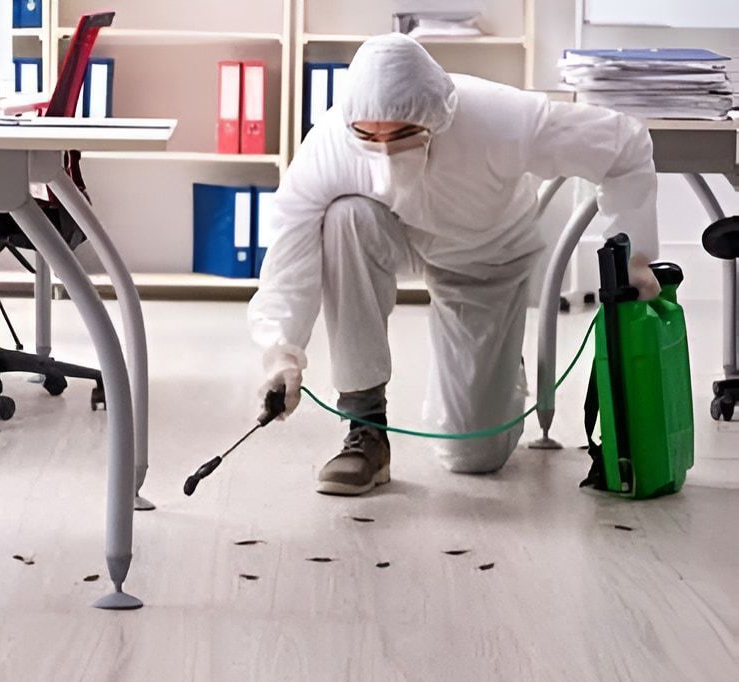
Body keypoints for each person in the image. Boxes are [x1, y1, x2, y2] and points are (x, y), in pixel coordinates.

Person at [248, 33, 661, 496]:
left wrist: (637, 257)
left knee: (473, 458)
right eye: (369, 136)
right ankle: (365, 428)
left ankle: (503, 368)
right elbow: (291, 244)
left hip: (484, 257)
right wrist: (281, 352)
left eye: (403, 135)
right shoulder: (332, 140)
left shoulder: (501, 119)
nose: (384, 151)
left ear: (437, 120)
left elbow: (625, 146)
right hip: (394, 233)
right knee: (346, 217)